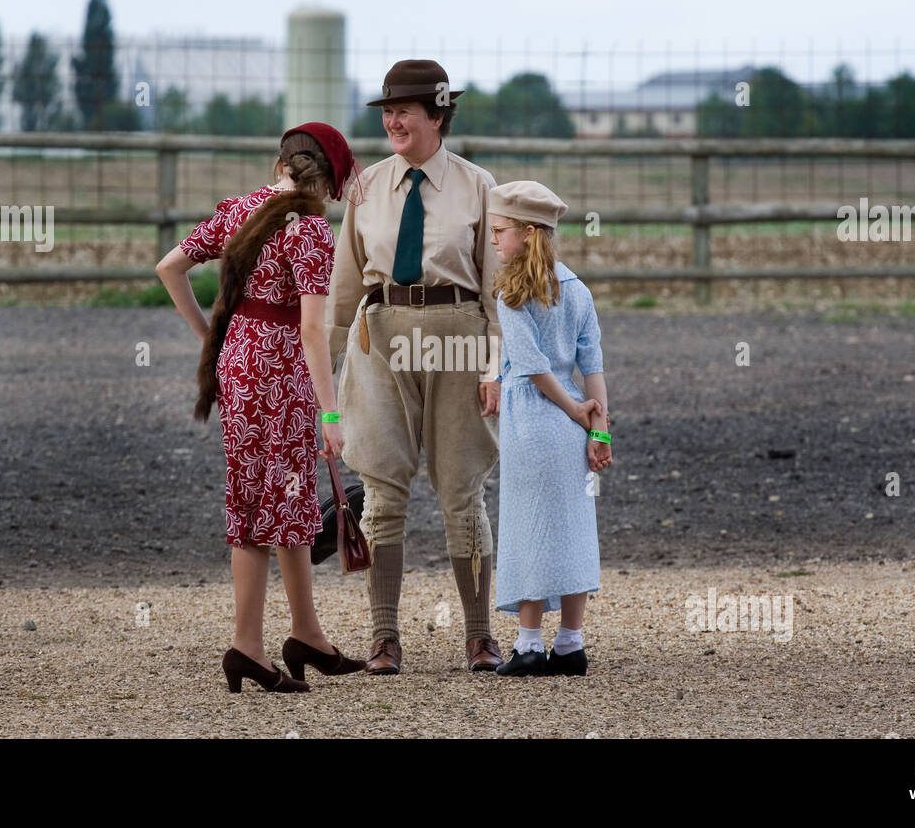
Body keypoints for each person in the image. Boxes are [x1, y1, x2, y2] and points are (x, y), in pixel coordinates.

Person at [155, 122, 367, 693]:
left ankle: (304, 635)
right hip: (282, 371)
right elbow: (315, 329)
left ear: (283, 164)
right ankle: (249, 646)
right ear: (328, 182)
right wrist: (330, 415)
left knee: (264, 497)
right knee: (280, 498)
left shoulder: (239, 209)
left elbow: (169, 268)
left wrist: (208, 336)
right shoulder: (312, 232)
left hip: (238, 365)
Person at [325, 59, 506, 674]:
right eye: (387, 112)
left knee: (461, 490)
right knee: (382, 486)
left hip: (458, 337)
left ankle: (480, 636)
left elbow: (495, 291)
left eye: (404, 111)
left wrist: (495, 365)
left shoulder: (480, 186)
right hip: (380, 338)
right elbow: (346, 286)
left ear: (437, 116)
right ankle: (383, 637)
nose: (394, 121)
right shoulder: (368, 187)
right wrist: (323, 376)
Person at [486, 180, 612, 677]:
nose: (493, 241)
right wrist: (596, 423)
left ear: (528, 233)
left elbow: (535, 366)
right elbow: (593, 363)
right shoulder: (577, 289)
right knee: (574, 525)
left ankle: (530, 644)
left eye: (499, 232)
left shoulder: (512, 293)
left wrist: (574, 409)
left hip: (534, 419)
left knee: (528, 526)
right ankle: (571, 644)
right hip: (572, 422)